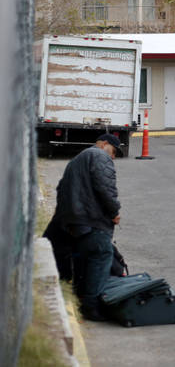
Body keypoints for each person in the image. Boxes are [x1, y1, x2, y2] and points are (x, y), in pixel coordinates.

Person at [47, 133, 123, 321]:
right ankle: (91, 305)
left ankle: (82, 297)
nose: (113, 157)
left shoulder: (77, 160)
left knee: (85, 257)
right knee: (102, 255)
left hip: (74, 220)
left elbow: (61, 189)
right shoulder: (99, 156)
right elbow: (106, 187)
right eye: (114, 152)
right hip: (91, 219)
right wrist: (114, 212)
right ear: (105, 144)